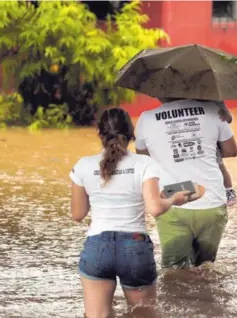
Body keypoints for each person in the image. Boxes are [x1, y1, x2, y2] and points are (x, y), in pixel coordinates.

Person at [69, 108, 200, 317]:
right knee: (142, 315)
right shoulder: (144, 164)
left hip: (97, 247)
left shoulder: (82, 166)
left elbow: (78, 214)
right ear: (131, 135)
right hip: (135, 246)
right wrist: (173, 199)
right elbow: (155, 208)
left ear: (99, 134)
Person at [135, 98, 237, 269]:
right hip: (211, 200)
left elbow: (143, 160)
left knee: (173, 272)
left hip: (171, 201)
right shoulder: (214, 110)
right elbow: (231, 151)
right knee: (205, 268)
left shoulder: (146, 118)